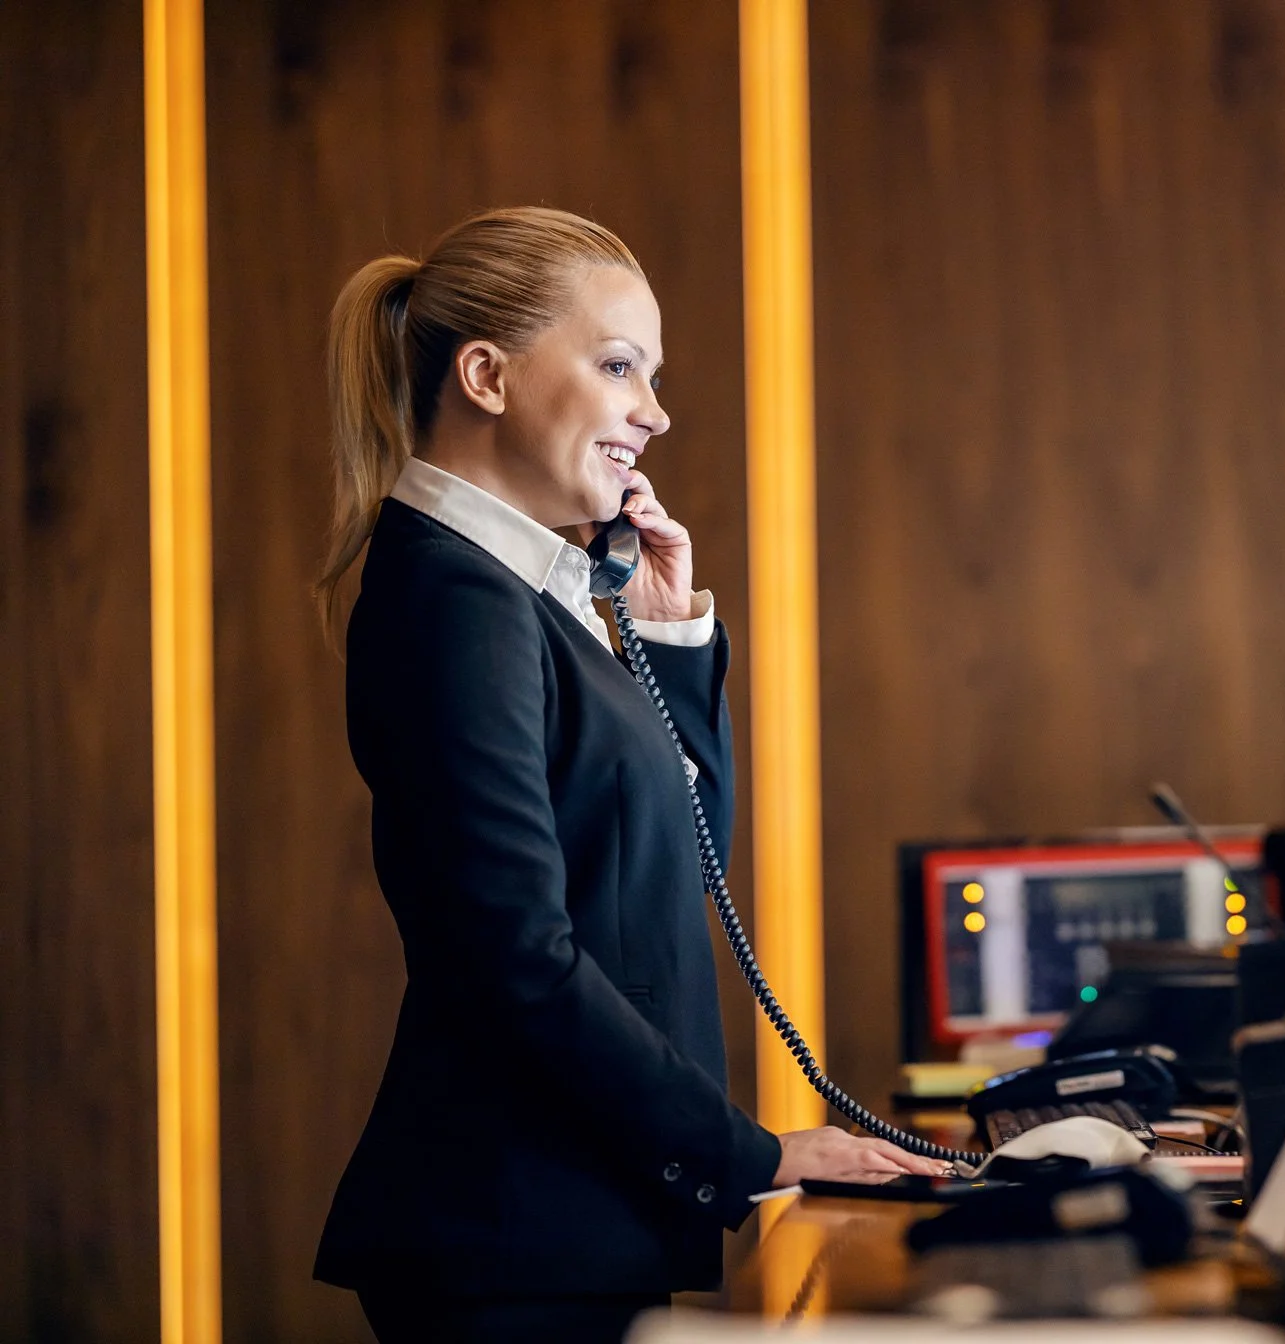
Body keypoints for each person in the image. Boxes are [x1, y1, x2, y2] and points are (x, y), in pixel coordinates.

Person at [309, 206, 938, 1343]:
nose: (654, 413)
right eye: (617, 367)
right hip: (512, 1231)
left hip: (563, 1217)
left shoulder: (524, 597)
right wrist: (750, 1152)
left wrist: (672, 642)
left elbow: (676, 866)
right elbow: (515, 957)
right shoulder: (455, 598)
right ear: (488, 376)